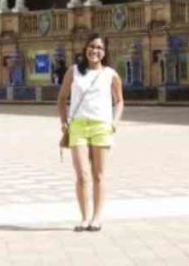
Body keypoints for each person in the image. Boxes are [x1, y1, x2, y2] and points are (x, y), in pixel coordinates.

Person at [56, 34, 124, 232]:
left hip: (102, 126)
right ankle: (84, 217)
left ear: (105, 52)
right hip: (78, 126)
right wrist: (63, 121)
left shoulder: (110, 74)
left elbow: (119, 100)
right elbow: (61, 98)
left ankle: (97, 217)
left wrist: (114, 122)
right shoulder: (74, 71)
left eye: (99, 48)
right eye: (91, 47)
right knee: (82, 174)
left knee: (99, 175)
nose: (95, 51)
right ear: (85, 49)